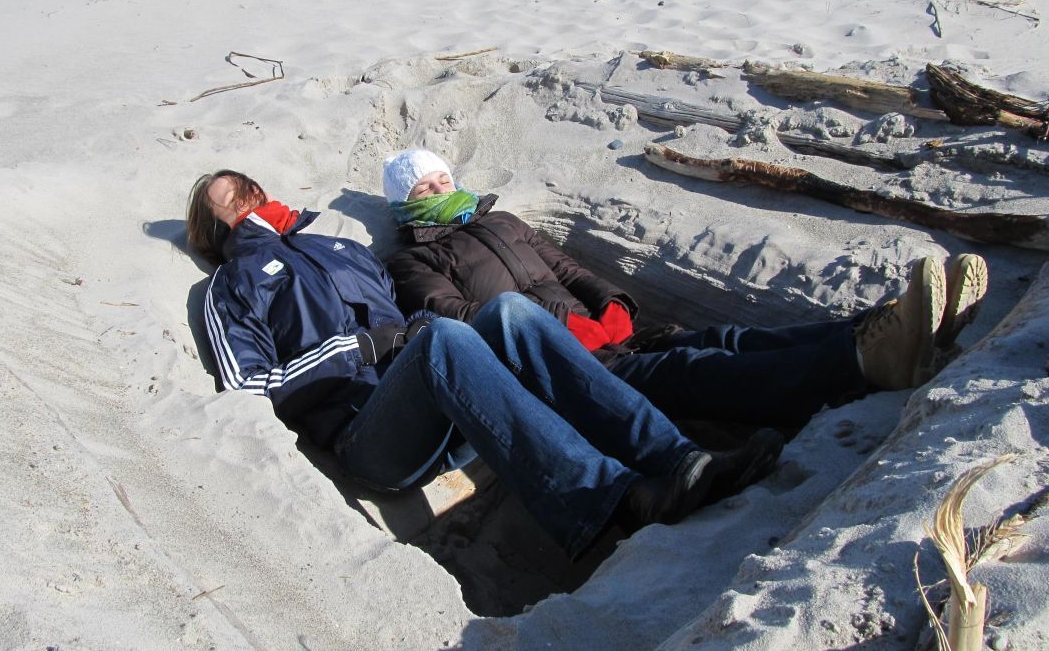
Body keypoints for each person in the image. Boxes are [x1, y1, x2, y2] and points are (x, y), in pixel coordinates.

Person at [186, 170, 784, 560]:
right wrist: (365, 349)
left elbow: (406, 315)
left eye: (251, 189)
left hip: (441, 394)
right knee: (444, 340)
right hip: (369, 433)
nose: (248, 200)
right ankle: (609, 502)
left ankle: (678, 459)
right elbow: (246, 385)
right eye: (230, 200)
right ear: (213, 226)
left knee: (509, 313)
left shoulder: (335, 245)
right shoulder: (231, 284)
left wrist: (409, 330)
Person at [381, 149, 989, 447]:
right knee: (695, 370)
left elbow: (567, 264)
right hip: (571, 363)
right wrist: (568, 337)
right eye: (426, 185)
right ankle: (864, 363)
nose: (442, 187)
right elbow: (462, 317)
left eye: (443, 177)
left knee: (728, 339)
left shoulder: (503, 219)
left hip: (611, 330)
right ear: (405, 202)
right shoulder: (412, 258)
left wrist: (613, 302)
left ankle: (879, 327)